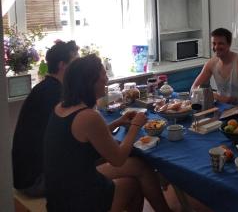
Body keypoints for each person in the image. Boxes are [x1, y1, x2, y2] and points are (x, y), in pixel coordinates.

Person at [44, 54, 171, 212]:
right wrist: (135, 126)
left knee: (138, 165)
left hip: (60, 189)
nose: (106, 80)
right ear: (91, 82)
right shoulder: (88, 116)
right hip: (76, 199)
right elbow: (118, 159)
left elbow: (88, 138)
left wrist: (118, 122)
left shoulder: (61, 107)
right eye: (103, 75)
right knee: (133, 183)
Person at [12, 40, 79, 197]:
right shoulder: (54, 94)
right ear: (63, 65)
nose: (79, 68)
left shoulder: (45, 88)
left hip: (24, 176)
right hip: (35, 181)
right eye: (75, 62)